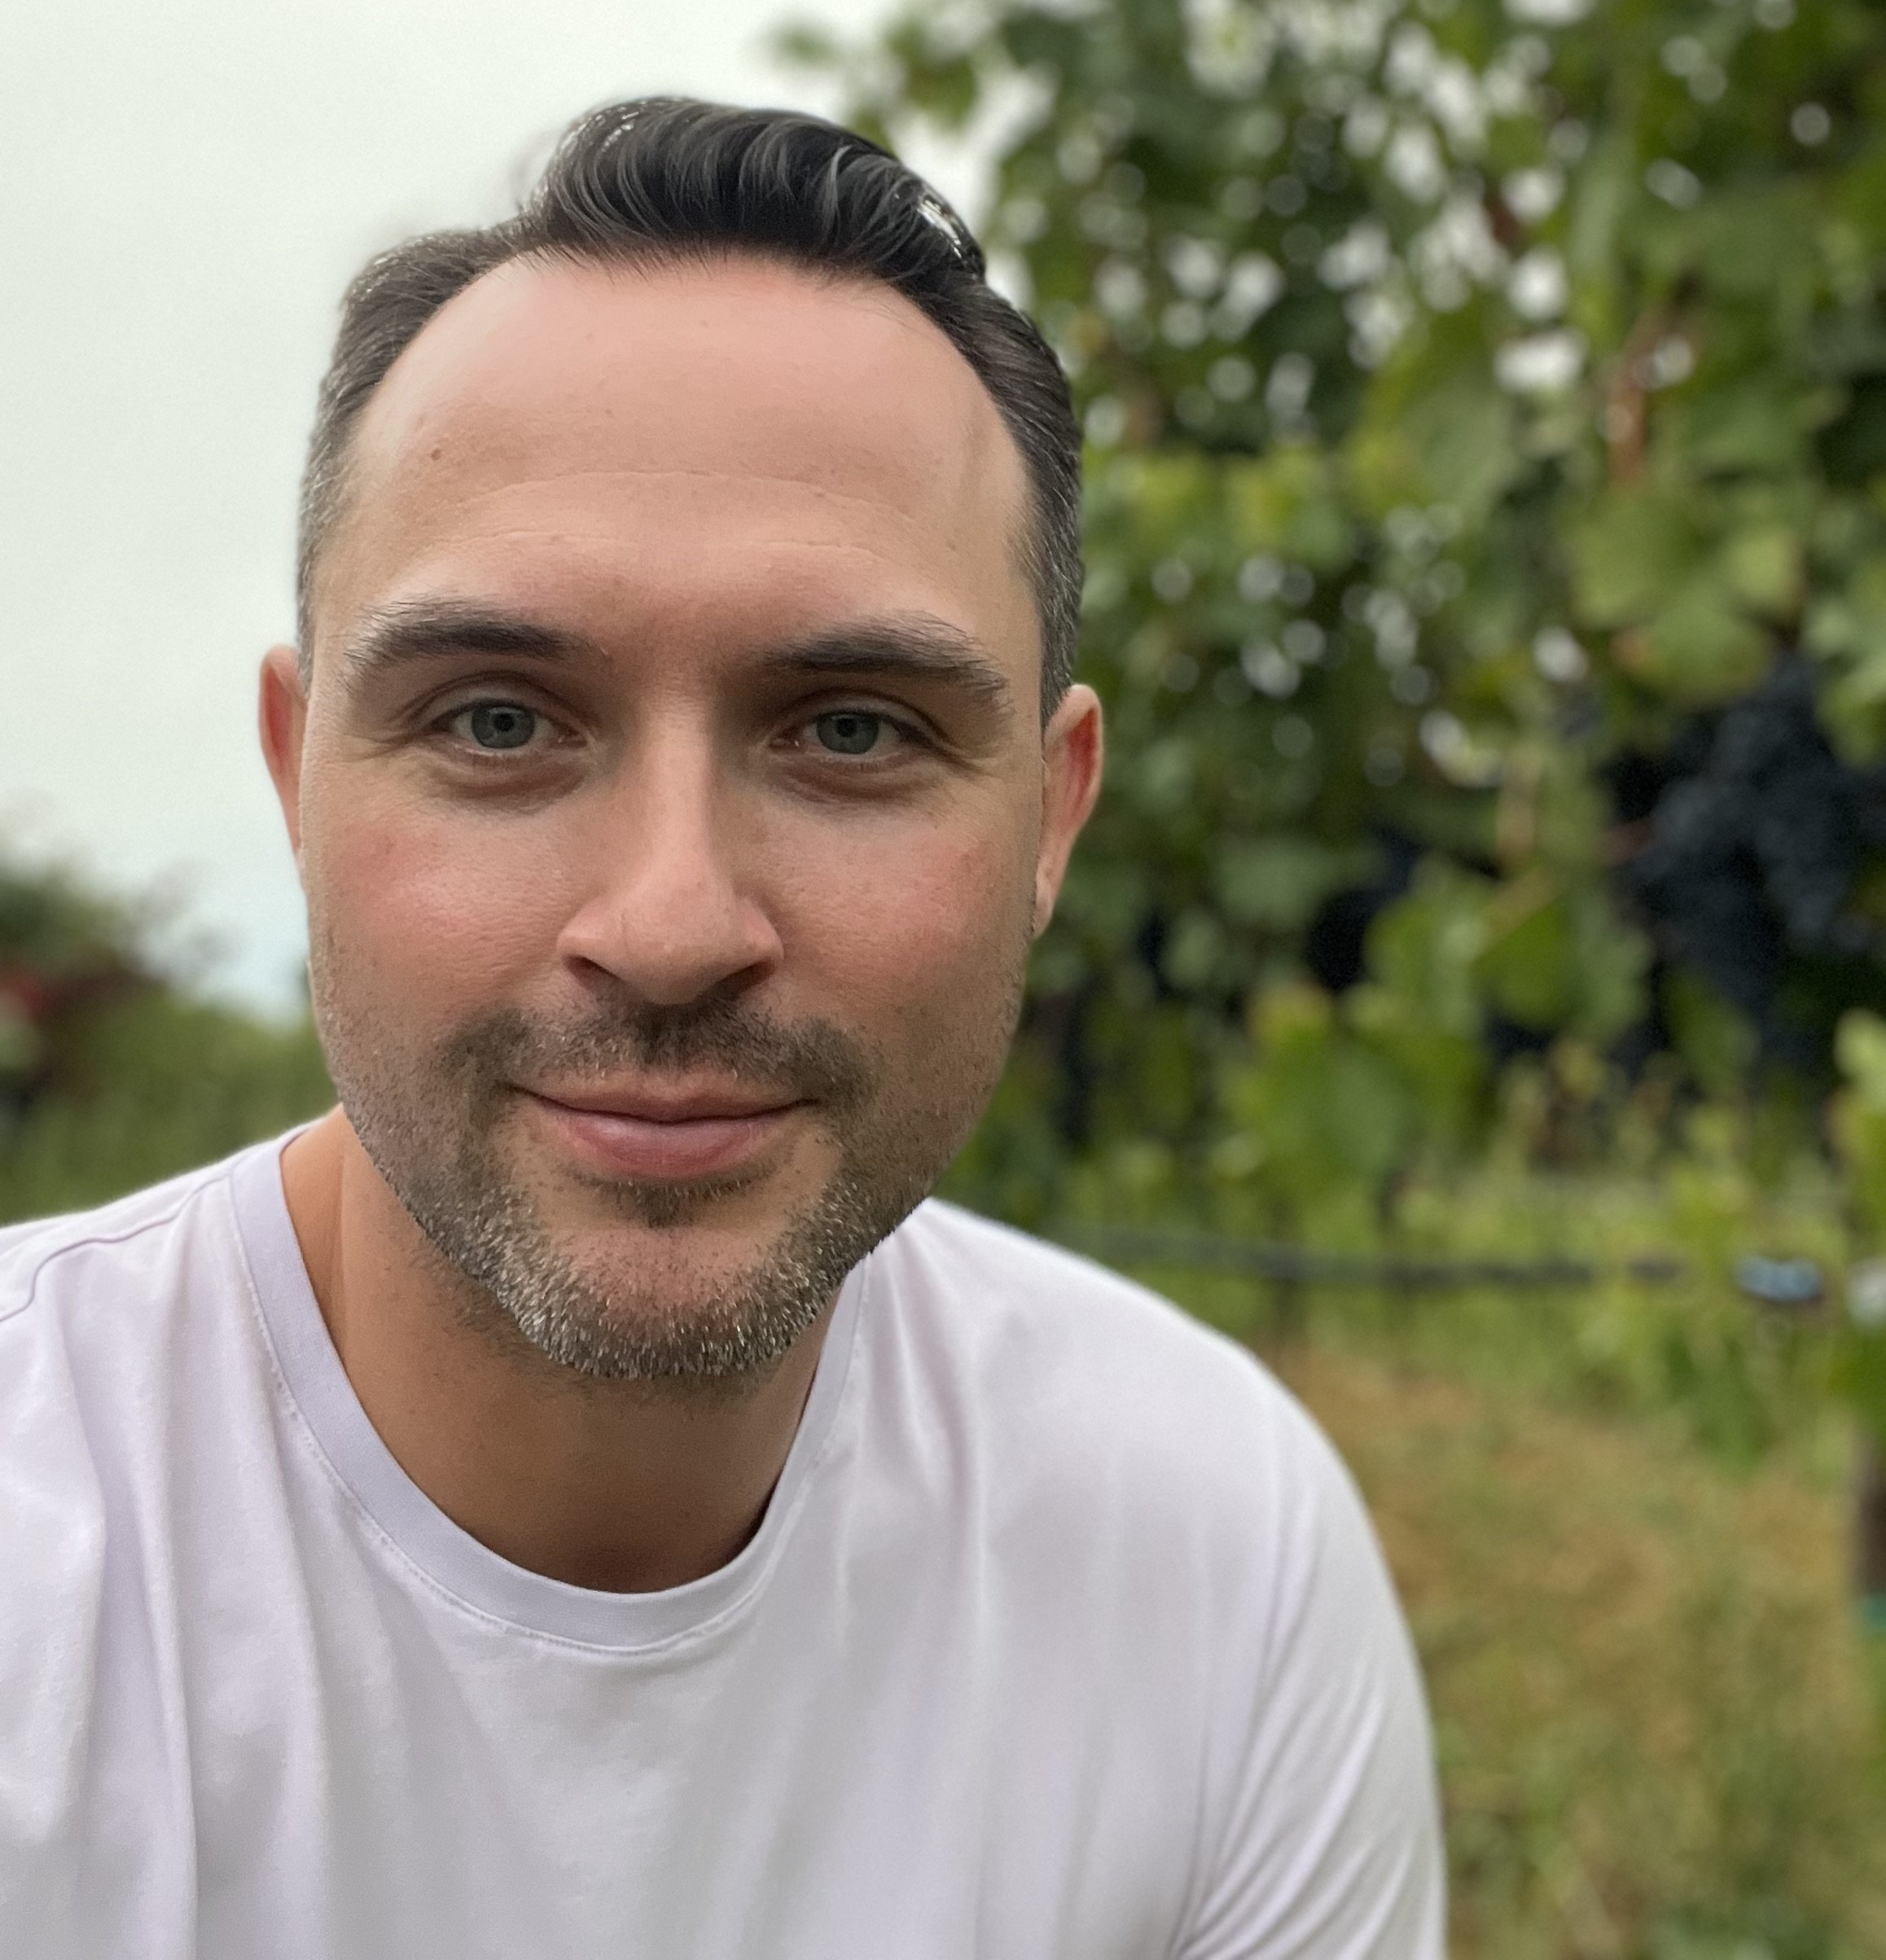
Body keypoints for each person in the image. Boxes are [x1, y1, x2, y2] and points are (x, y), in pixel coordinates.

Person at [0, 99, 1444, 1956]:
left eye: (851, 730)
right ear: (298, 782)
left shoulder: (1216, 1555)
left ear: (1051, 819)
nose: (671, 926)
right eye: (499, 722)